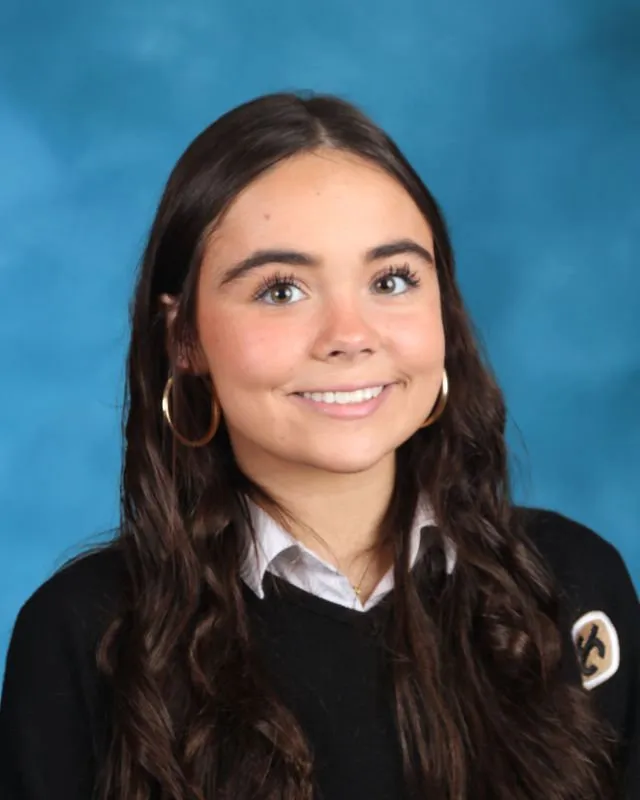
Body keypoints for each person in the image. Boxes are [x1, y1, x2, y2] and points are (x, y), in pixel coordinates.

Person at [0, 92, 637, 800]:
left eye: (392, 280)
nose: (349, 334)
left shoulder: (574, 587)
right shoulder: (83, 636)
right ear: (184, 340)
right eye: (280, 291)